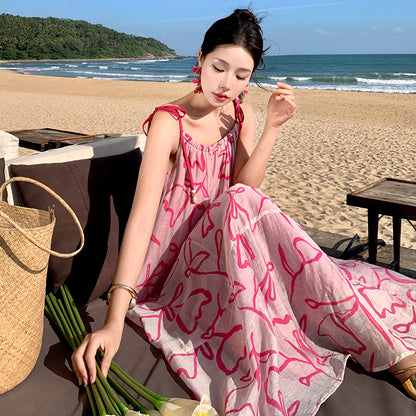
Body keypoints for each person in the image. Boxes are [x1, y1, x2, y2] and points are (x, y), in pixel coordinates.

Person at [72, 9, 416, 415]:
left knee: (243, 201)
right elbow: (143, 218)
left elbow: (244, 186)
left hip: (230, 248)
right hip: (176, 266)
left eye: (242, 75)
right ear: (199, 59)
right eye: (219, 68)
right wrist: (114, 318)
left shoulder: (239, 114)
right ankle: (389, 353)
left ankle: (373, 338)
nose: (227, 84)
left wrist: (271, 127)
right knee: (242, 202)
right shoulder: (169, 122)